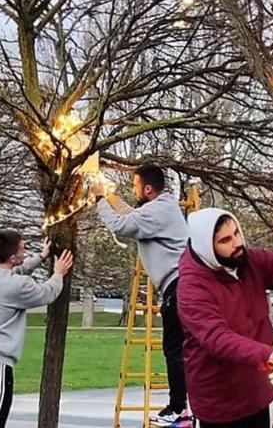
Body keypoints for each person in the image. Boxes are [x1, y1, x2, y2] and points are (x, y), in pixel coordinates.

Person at [177, 208, 273, 428]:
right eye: (225, 240)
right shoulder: (191, 287)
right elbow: (217, 338)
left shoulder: (248, 260)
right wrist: (270, 355)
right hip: (219, 402)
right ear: (207, 246)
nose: (236, 243)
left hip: (256, 393)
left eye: (236, 233)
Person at [90, 164, 190, 425]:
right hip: (183, 284)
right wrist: (112, 197)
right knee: (183, 349)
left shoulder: (157, 211)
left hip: (178, 286)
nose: (133, 189)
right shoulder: (161, 208)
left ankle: (179, 407)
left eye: (135, 186)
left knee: (173, 349)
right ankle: (186, 405)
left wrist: (100, 199)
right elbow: (132, 216)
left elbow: (120, 225)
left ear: (148, 188)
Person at [0, 230, 73, 428]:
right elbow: (46, 293)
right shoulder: (18, 286)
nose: (25, 251)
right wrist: (58, 273)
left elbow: (14, 273)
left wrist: (41, 257)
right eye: (23, 248)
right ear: (13, 256)